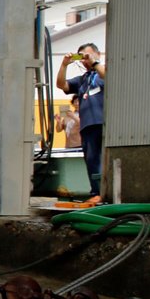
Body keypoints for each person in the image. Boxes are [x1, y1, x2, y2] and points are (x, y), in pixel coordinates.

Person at [56, 43, 105, 202]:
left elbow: (106, 75)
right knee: (91, 160)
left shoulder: (102, 71)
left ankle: (104, 192)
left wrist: (94, 62)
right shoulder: (83, 79)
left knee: (103, 159)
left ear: (97, 54)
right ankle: (95, 192)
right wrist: (64, 65)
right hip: (87, 125)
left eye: (87, 55)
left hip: (102, 122)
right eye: (82, 57)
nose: (84, 61)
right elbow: (61, 84)